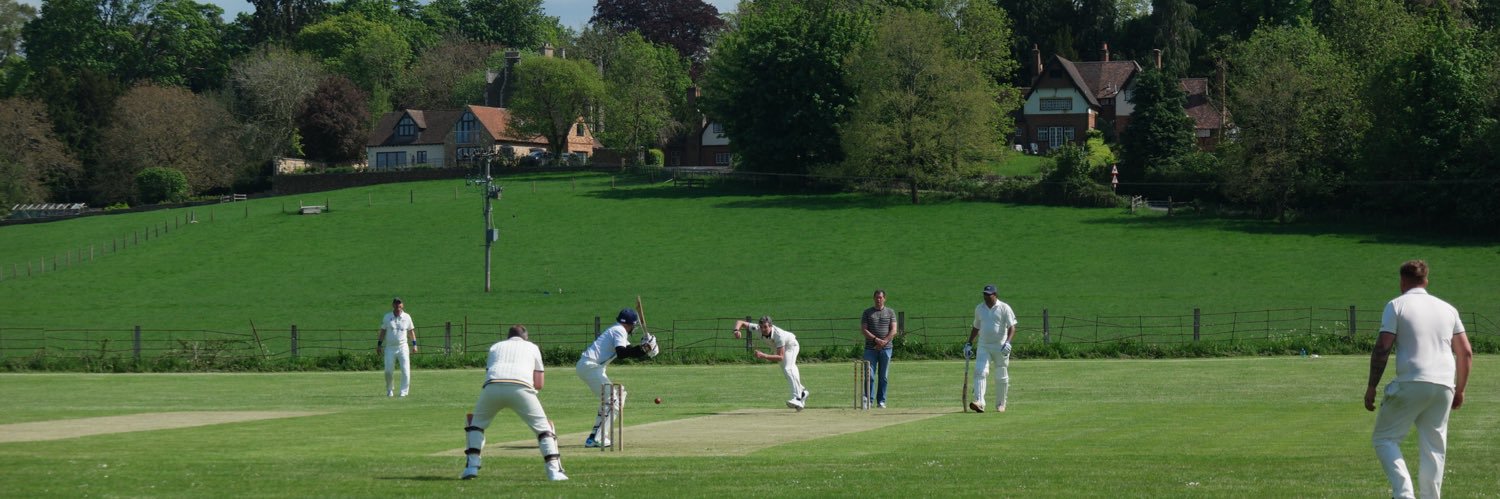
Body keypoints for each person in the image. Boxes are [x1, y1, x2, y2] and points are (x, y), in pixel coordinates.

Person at [1365, 260, 1473, 499]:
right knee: (1434, 447)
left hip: (1412, 380)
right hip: (1444, 384)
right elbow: (1465, 352)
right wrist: (1460, 390)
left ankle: (1404, 494)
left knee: (1384, 438)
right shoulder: (1448, 309)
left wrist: (1371, 386)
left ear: (1402, 281)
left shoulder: (1396, 305)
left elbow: (1383, 348)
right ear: (1426, 280)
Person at [461, 325, 567, 481]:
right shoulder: (532, 347)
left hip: (492, 386)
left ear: (508, 336)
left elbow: (489, 372)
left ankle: (471, 467)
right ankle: (554, 471)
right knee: (544, 429)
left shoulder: (496, 346)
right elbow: (539, 384)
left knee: (475, 425)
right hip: (521, 387)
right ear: (526, 337)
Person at [576, 307, 658, 448]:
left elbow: (630, 351)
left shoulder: (617, 330)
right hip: (591, 367)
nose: (634, 328)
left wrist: (646, 348)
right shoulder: (619, 330)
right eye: (634, 326)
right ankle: (597, 438)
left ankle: (595, 435)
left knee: (619, 394)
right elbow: (622, 353)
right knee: (613, 399)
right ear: (630, 324)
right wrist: (644, 348)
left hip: (592, 367)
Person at [733, 316, 809, 411]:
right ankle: (802, 392)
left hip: (791, 346)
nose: (763, 329)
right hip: (779, 349)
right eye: (761, 327)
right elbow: (740, 322)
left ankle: (797, 398)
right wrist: (736, 331)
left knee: (789, 369)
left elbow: (780, 357)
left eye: (765, 327)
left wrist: (763, 355)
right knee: (788, 374)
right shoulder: (757, 328)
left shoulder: (779, 335)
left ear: (770, 326)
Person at [966, 284, 1016, 413]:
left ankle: (1001, 403)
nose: (986, 297)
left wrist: (1008, 342)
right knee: (980, 371)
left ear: (995, 295)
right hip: (984, 345)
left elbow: (1012, 327)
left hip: (1000, 346)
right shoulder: (979, 308)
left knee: (1001, 374)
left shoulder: (1004, 307)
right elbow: (976, 327)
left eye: (989, 294)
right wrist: (969, 343)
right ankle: (979, 402)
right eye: (985, 294)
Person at [860, 289, 897, 408]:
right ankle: (868, 401)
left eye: (880, 297)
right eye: (876, 297)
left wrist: (883, 342)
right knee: (869, 375)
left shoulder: (890, 312)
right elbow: (864, 330)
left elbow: (894, 330)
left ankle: (881, 401)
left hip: (886, 349)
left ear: (884, 298)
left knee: (883, 376)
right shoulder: (867, 312)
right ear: (874, 298)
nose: (878, 299)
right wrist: (876, 340)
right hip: (870, 349)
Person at [376, 297, 417, 397]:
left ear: (402, 305)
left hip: (403, 347)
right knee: (388, 371)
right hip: (390, 347)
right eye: (396, 303)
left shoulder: (407, 317)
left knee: (405, 370)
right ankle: (389, 389)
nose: (398, 306)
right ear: (393, 305)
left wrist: (414, 344)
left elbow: (411, 331)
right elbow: (383, 331)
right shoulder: (387, 317)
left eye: (399, 304)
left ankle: (404, 392)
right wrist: (379, 345)